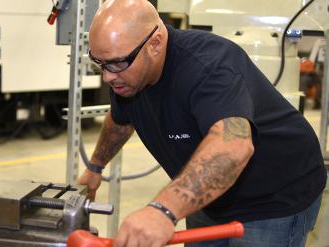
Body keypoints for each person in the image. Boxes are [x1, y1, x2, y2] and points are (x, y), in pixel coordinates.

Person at [76, 0, 328, 246]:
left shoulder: (208, 64)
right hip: (207, 194)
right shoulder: (126, 74)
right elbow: (120, 121)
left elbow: (233, 146)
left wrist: (162, 209)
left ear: (155, 43)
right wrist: (95, 167)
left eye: (117, 63)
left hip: (275, 196)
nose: (108, 76)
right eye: (100, 63)